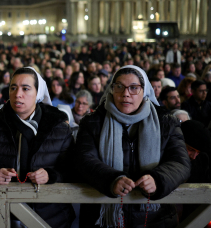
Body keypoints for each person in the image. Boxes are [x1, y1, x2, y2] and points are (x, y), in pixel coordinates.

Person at [75, 65, 190, 227]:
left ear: (145, 91)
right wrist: (111, 179)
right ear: (111, 89)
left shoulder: (166, 122)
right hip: (103, 219)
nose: (125, 93)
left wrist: (158, 179)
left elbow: (180, 162)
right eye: (119, 87)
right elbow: (84, 159)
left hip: (154, 218)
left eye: (134, 88)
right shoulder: (93, 122)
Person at [0, 67, 76, 228]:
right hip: (2, 213)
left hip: (49, 214)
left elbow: (72, 169)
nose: (18, 94)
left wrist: (50, 176)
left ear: (38, 93)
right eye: (13, 88)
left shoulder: (58, 128)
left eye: (25, 88)